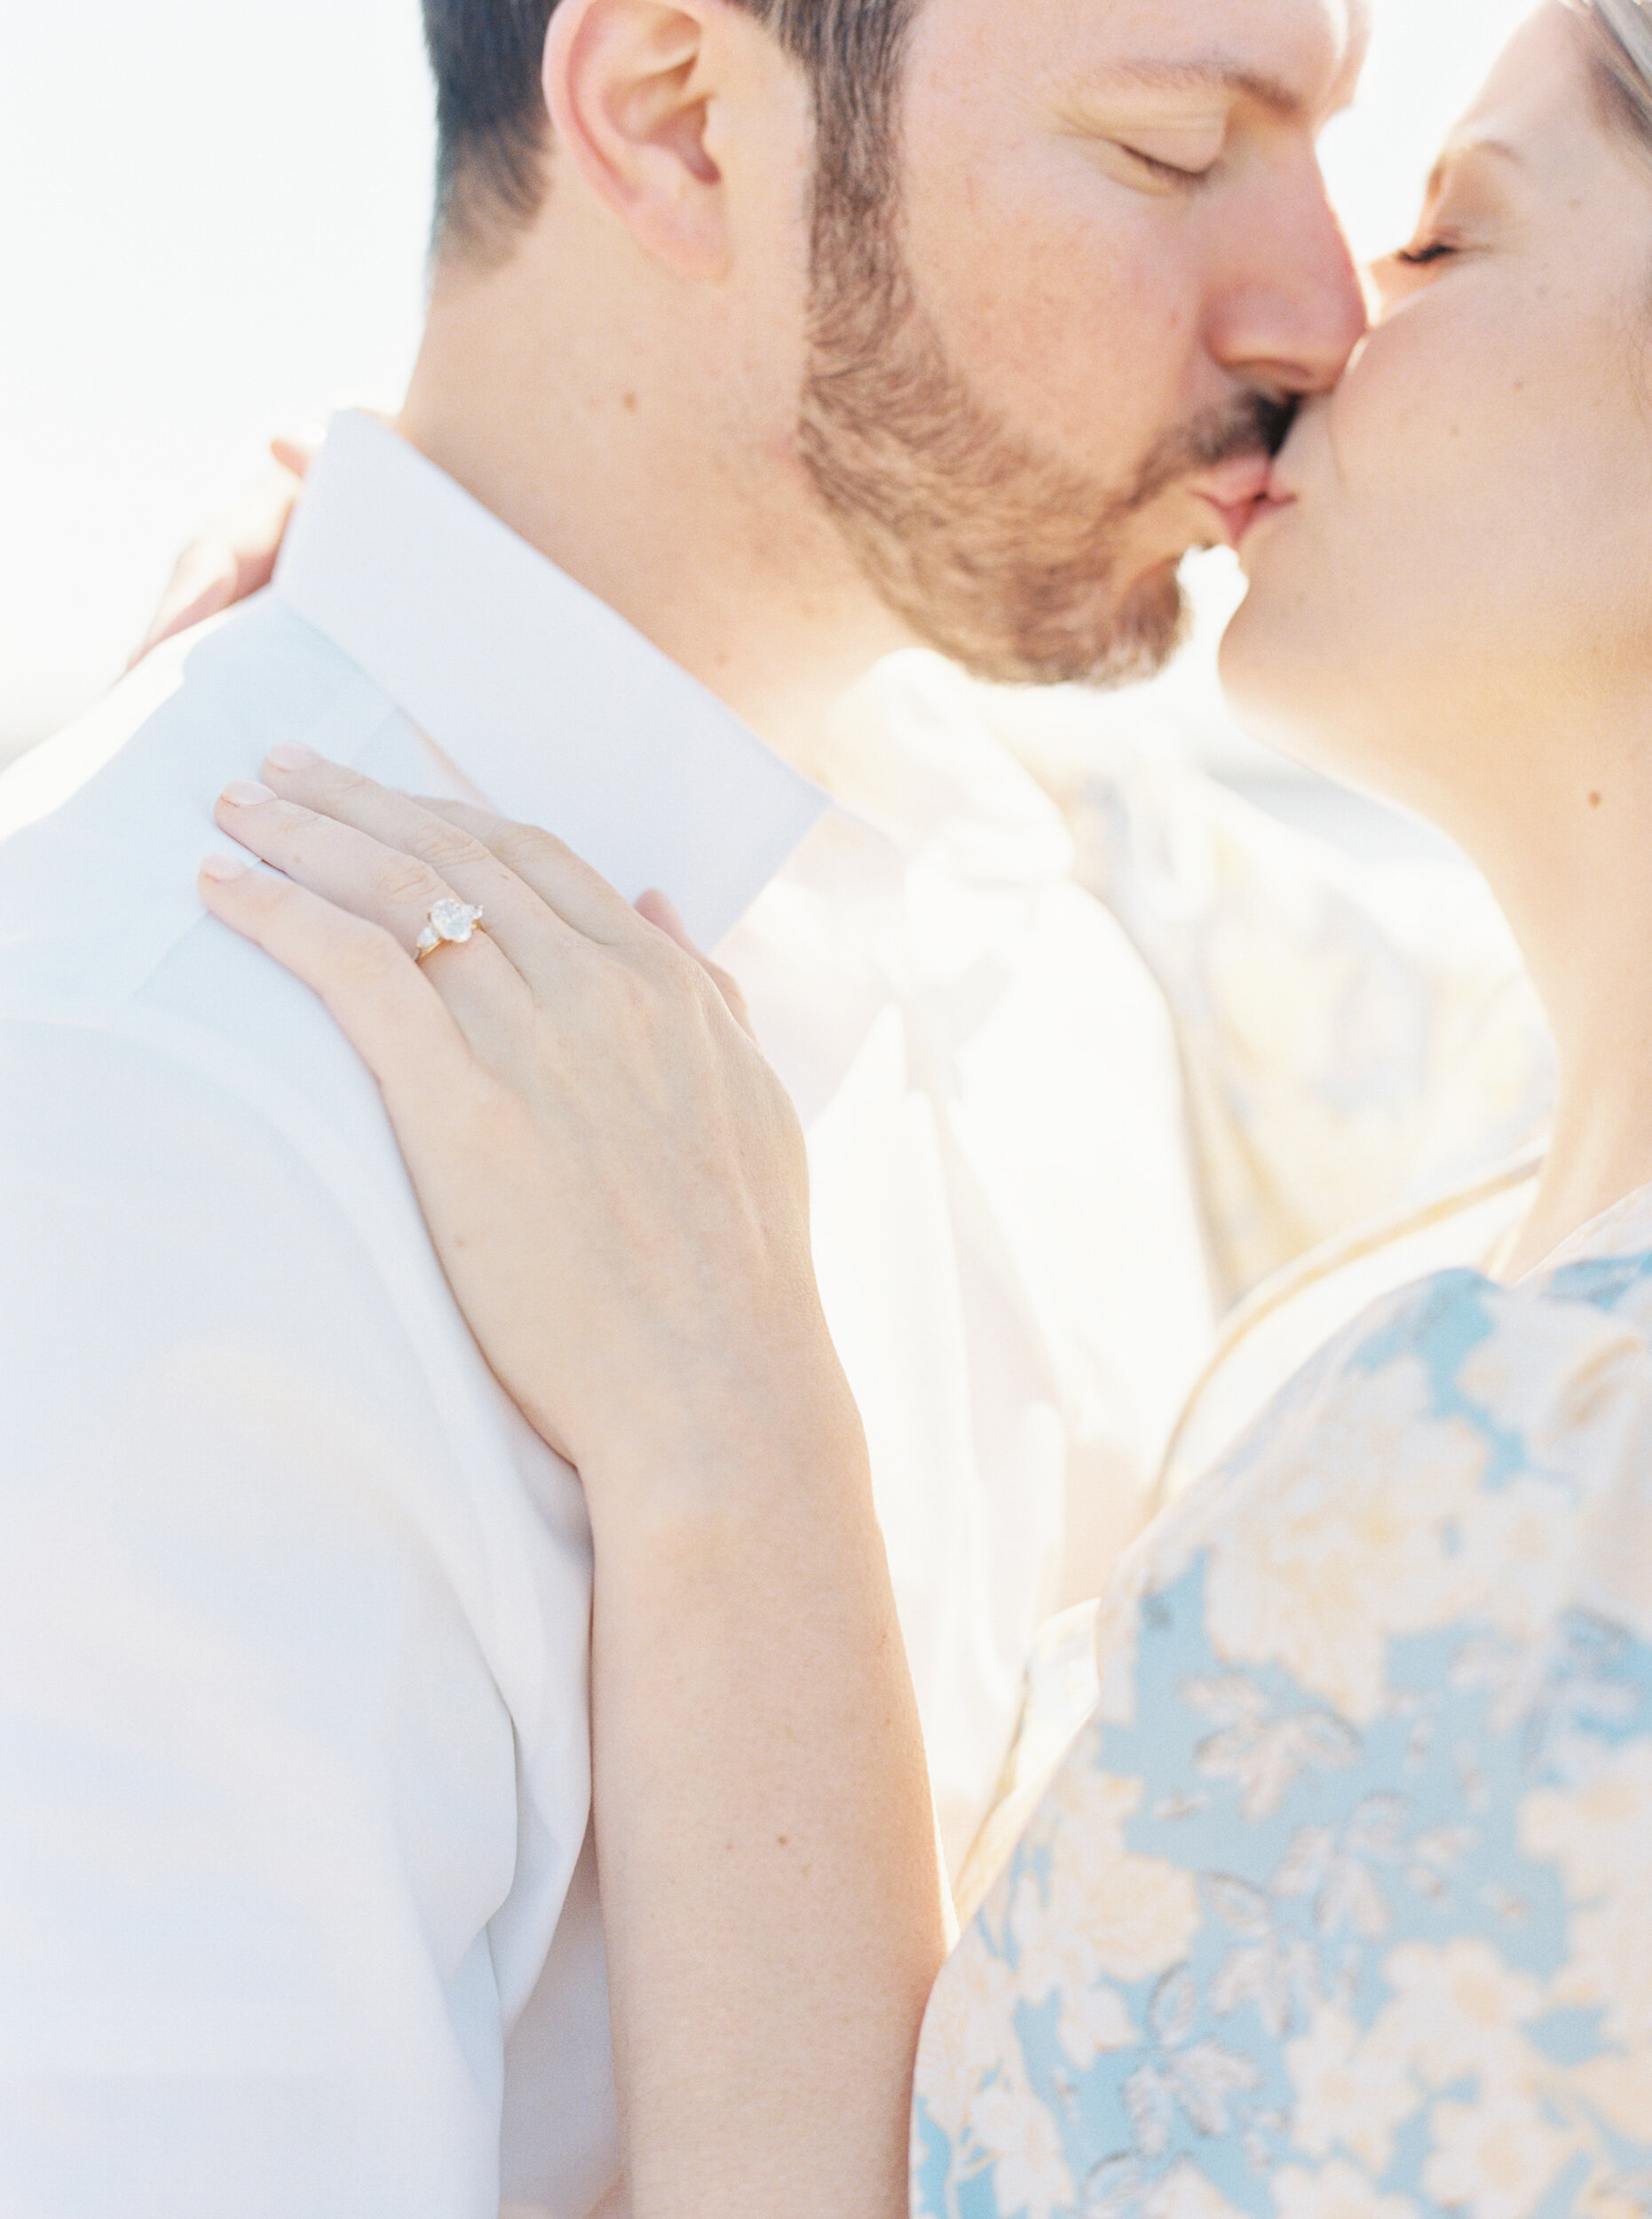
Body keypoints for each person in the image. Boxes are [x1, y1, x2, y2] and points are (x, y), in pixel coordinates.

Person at [193, 0, 1652, 2210]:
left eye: (1445, 240)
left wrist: (726, 1430)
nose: (1321, 321)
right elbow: (1086, 877)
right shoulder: (1446, 1122)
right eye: (1177, 154)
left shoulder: (1570, 1495)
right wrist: (469, 635)